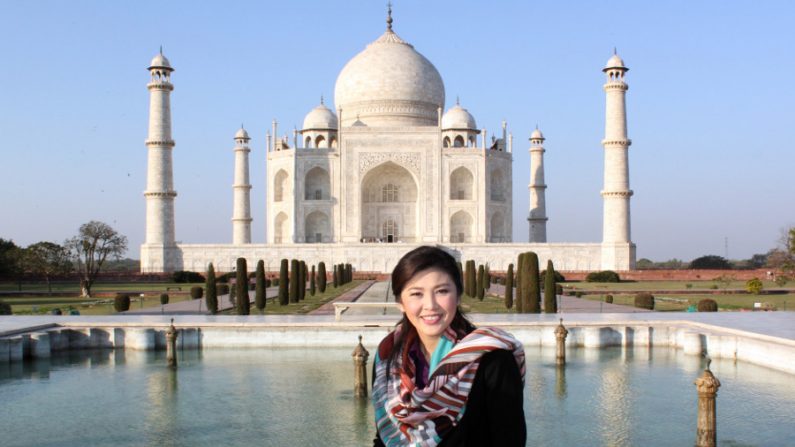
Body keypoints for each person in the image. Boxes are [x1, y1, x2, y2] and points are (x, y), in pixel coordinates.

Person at [372, 246, 526, 447]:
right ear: (400, 302)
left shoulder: (493, 361)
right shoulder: (388, 358)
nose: (430, 305)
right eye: (416, 294)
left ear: (458, 295)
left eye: (442, 291)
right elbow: (383, 438)